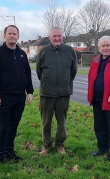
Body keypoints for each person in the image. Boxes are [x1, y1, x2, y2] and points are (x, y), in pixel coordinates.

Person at [0, 25, 34, 165]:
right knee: (3, 127)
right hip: (4, 96)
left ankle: (9, 151)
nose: (12, 36)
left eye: (15, 34)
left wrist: (29, 91)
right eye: (10, 33)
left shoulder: (22, 54)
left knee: (13, 126)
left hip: (19, 97)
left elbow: (27, 74)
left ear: (18, 36)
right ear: (5, 35)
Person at [35, 27, 77, 155]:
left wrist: (66, 84)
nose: (57, 38)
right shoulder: (43, 51)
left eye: (59, 36)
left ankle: (60, 145)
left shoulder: (70, 51)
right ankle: (46, 145)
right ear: (50, 38)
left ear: (62, 37)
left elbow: (73, 71)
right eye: (54, 36)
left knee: (62, 122)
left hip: (63, 94)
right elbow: (38, 72)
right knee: (46, 122)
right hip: (46, 94)